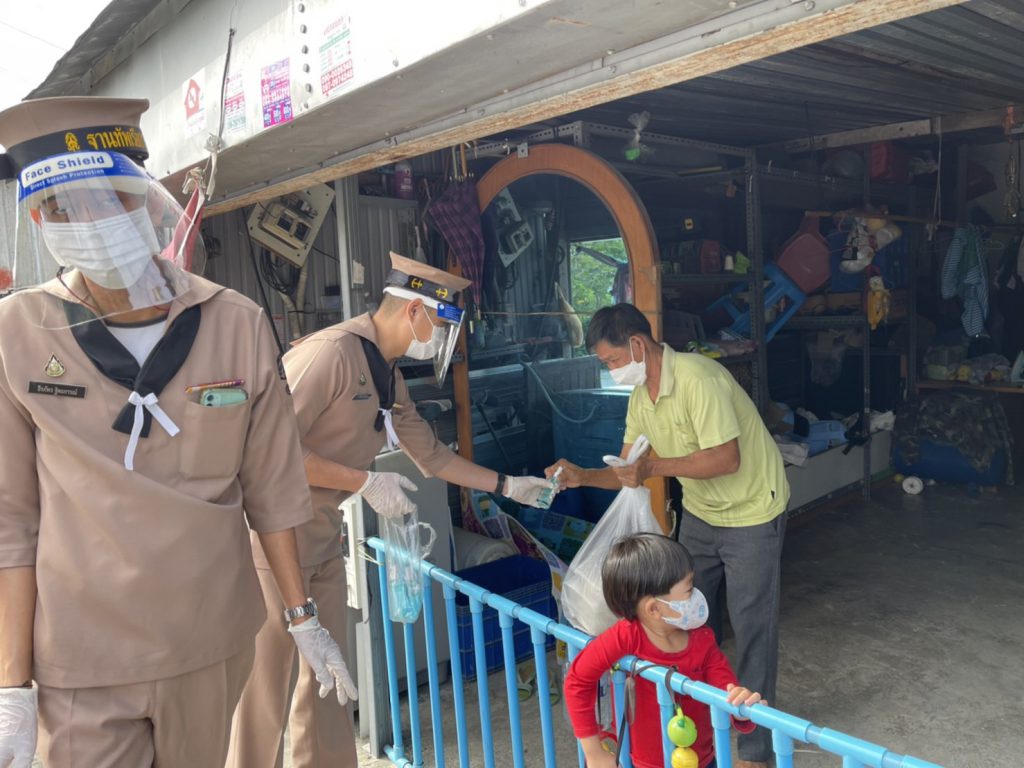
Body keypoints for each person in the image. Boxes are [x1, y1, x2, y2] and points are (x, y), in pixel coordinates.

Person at [0, 96, 352, 768]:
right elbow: (10, 522)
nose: (94, 222)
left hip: (209, 645)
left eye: (111, 198)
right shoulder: (16, 334)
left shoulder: (235, 322)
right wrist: (11, 686)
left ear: (144, 196)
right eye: (65, 208)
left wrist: (302, 617)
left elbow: (273, 490)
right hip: (82, 662)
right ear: (40, 220)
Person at [226, 251, 553, 768]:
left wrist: (509, 484)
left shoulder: (388, 374)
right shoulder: (331, 354)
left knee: (331, 687)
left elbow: (432, 456)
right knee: (265, 693)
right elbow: (268, 449)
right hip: (272, 544)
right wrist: (365, 481)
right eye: (443, 326)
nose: (444, 340)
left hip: (322, 542)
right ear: (414, 310)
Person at [549, 304, 789, 768]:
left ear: (637, 344)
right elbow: (628, 470)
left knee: (752, 626)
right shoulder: (642, 398)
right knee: (685, 619)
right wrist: (582, 476)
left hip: (752, 511)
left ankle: (755, 750)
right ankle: (697, 724)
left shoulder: (700, 379)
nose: (612, 371)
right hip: (701, 511)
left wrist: (653, 466)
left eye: (612, 361)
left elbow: (726, 459)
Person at [564, 533, 762, 768]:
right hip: (638, 762)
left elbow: (725, 688)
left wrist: (738, 707)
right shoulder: (625, 636)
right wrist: (594, 752)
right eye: (689, 589)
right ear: (654, 609)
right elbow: (577, 680)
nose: (696, 596)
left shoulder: (701, 637)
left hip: (700, 760)